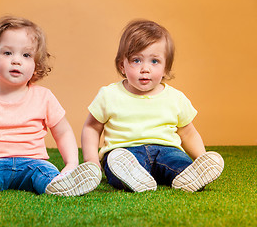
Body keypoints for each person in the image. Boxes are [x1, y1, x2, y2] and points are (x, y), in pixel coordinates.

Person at [0, 16, 101, 201]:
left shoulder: (44, 97)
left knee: (47, 174)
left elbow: (63, 132)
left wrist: (71, 164)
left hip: (32, 163)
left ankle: (63, 183)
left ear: (36, 66)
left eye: (26, 55)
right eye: (7, 53)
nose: (16, 61)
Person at [81, 19, 224, 193]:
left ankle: (191, 175)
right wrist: (92, 162)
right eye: (136, 60)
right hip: (126, 152)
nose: (145, 69)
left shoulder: (175, 98)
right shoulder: (109, 95)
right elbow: (92, 128)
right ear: (122, 66)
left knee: (179, 162)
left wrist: (200, 158)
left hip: (167, 150)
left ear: (165, 68)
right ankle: (133, 177)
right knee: (118, 166)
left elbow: (188, 133)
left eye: (154, 61)